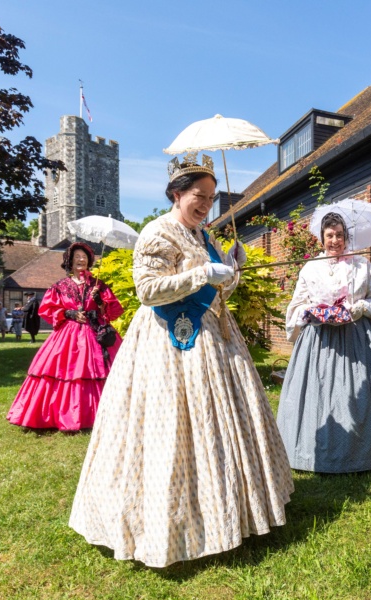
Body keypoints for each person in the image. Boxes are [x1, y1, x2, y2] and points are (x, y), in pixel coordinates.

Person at [68, 153, 293, 568]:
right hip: (167, 346)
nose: (206, 204)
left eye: (211, 197)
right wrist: (204, 275)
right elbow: (149, 292)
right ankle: (169, 524)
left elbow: (218, 284)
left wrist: (231, 268)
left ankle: (234, 510)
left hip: (215, 339)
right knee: (169, 428)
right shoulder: (158, 232)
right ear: (176, 193)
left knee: (222, 425)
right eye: (198, 196)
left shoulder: (204, 234)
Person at [277, 212, 371, 472]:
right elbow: (296, 305)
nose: (335, 240)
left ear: (346, 237)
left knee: (364, 393)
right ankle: (309, 451)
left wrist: (361, 307)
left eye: (339, 235)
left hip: (358, 339)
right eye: (329, 235)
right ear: (322, 239)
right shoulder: (310, 269)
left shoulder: (362, 265)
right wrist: (312, 312)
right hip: (320, 340)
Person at [7, 242, 123, 431]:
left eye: (84, 257)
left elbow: (113, 311)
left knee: (100, 370)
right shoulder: (60, 286)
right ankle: (61, 414)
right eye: (77, 257)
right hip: (68, 336)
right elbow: (47, 309)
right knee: (65, 371)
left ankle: (104, 413)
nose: (81, 260)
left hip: (95, 334)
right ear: (69, 261)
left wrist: (99, 301)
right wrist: (68, 313)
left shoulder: (98, 285)